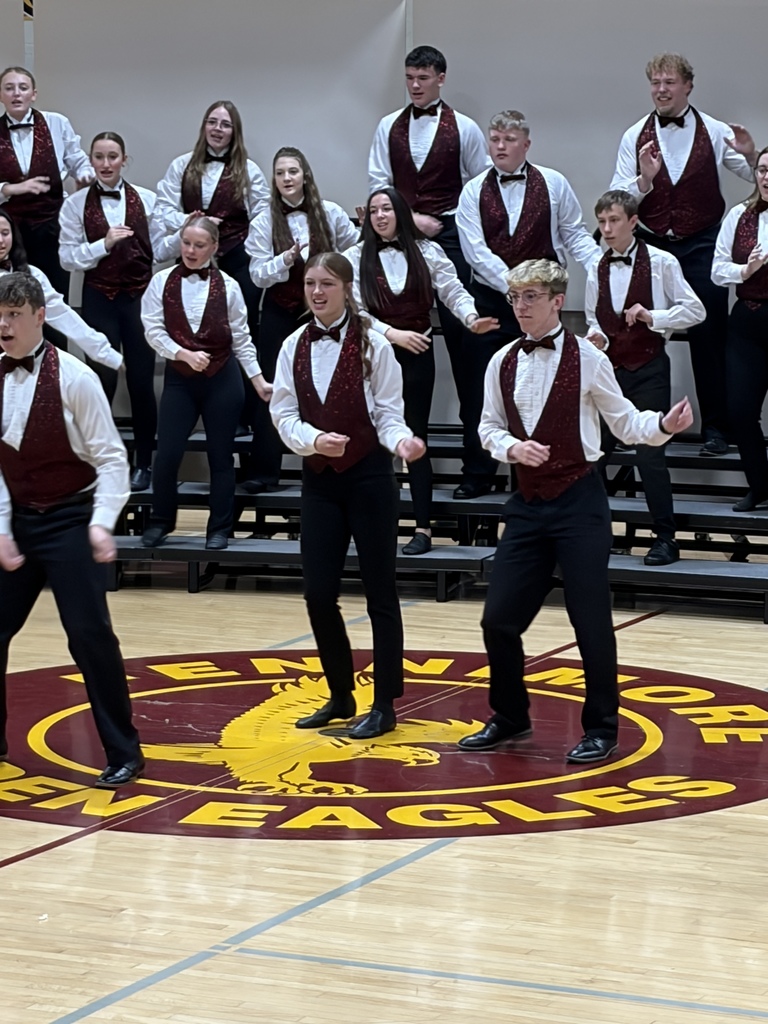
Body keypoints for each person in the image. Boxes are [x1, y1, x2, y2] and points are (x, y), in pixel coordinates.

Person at [458, 259, 692, 763]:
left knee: (590, 621)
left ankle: (601, 728)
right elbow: (488, 428)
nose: (520, 307)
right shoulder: (501, 360)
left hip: (580, 503)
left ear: (557, 301)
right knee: (497, 619)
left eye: (531, 297)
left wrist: (665, 425)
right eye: (515, 298)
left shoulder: (589, 359)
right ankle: (510, 714)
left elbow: (627, 423)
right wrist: (511, 450)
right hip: (526, 502)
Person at [270, 252, 425, 739]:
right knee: (318, 594)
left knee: (381, 594)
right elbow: (283, 413)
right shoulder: (293, 344)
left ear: (346, 287)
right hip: (320, 481)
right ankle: (340, 695)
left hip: (371, 479)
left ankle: (384, 704)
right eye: (311, 283)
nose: (317, 292)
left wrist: (401, 442)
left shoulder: (375, 345)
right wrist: (313, 441)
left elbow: (387, 413)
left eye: (327, 284)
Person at [0, 271, 142, 786]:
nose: (3, 324)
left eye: (14, 314)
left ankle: (124, 750)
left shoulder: (76, 378)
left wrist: (102, 524)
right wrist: (1, 529)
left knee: (88, 636)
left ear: (40, 317)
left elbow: (111, 461)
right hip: (17, 517)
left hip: (71, 518)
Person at [610, 52, 757, 456]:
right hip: (652, 243)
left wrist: (748, 153)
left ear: (688, 85)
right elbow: (618, 198)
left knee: (709, 335)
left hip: (702, 244)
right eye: (655, 82)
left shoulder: (713, 129)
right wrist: (645, 179)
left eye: (669, 82)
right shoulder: (633, 135)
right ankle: (638, 424)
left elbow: (752, 177)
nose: (661, 89)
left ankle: (716, 429)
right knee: (639, 330)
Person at [455, 109, 601, 498]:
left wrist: (602, 268)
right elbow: (475, 251)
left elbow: (574, 234)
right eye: (495, 140)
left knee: (548, 393)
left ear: (526, 144)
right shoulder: (471, 191)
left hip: (543, 309)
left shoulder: (554, 183)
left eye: (508, 140)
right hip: (490, 303)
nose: (500, 147)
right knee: (478, 393)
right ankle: (477, 474)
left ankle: (550, 476)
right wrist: (518, 287)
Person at [345, 187, 498, 554]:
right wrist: (392, 334)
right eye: (374, 210)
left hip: (417, 357)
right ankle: (369, 523)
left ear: (400, 212)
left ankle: (423, 528)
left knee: (415, 439)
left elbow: (453, 290)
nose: (380, 215)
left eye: (387, 209)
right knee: (371, 438)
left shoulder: (428, 251)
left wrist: (471, 317)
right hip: (375, 356)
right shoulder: (353, 256)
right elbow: (354, 310)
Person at [368, 45, 491, 447]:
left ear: (441, 78)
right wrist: (406, 218)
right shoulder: (387, 125)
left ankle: (477, 466)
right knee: (385, 330)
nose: (415, 86)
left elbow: (480, 188)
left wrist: (451, 224)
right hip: (396, 235)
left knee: (464, 346)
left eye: (422, 78)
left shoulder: (467, 128)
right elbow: (378, 183)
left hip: (450, 235)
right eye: (409, 78)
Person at [586, 189, 705, 565]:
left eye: (614, 221)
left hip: (649, 368)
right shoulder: (595, 265)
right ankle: (590, 535)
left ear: (633, 222)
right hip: (607, 373)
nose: (606, 229)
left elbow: (696, 311)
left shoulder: (662, 262)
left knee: (650, 457)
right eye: (602, 222)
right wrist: (597, 336)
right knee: (593, 455)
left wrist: (656, 317)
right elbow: (594, 317)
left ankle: (665, 538)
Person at [140, 215, 270, 551]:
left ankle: (220, 528)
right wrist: (182, 354)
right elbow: (153, 330)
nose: (191, 251)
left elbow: (241, 338)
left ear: (214, 247)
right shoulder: (160, 282)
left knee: (221, 457)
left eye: (199, 245)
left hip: (222, 380)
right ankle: (160, 521)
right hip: (180, 381)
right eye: (186, 243)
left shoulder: (229, 286)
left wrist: (257, 380)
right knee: (167, 455)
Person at [59, 131, 175, 492]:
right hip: (99, 298)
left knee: (141, 383)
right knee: (101, 382)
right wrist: (102, 245)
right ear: (90, 161)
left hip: (139, 300)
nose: (106, 164)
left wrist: (187, 230)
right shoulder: (75, 205)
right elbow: (66, 257)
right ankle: (100, 462)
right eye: (99, 157)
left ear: (125, 160)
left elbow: (157, 250)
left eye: (113, 157)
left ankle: (143, 464)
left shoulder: (149, 199)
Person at [245, 147, 358, 493]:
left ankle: (337, 461)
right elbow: (256, 275)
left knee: (333, 383)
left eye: (292, 171)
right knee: (273, 387)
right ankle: (264, 470)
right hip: (281, 309)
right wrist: (285, 260)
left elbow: (354, 253)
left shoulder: (330, 213)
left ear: (305, 175)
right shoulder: (264, 220)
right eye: (280, 173)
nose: (287, 179)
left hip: (325, 312)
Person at [155, 100, 269, 340]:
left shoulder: (250, 170)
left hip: (239, 260)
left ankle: (244, 378)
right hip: (192, 257)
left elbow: (263, 217)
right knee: (189, 322)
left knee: (243, 326)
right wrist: (191, 220)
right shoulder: (181, 165)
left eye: (225, 125)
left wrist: (250, 248)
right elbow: (163, 210)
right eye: (212, 122)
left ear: (234, 132)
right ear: (204, 127)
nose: (218, 129)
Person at [0, 66, 93, 312]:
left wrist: (85, 175)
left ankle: (56, 350)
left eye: (23, 88)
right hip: (10, 230)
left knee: (54, 298)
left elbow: (78, 159)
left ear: (34, 94)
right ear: (1, 95)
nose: (16, 94)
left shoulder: (56, 122)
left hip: (53, 225)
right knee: (12, 297)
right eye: (9, 88)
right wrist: (11, 188)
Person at [712, 145, 768, 511]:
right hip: (748, 320)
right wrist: (744, 272)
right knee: (741, 410)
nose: (767, 177)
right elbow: (717, 270)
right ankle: (760, 485)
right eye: (762, 170)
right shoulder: (738, 215)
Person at [0, 209, 121, 374]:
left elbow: (63, 315)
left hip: (22, 363)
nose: (1, 240)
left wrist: (105, 353)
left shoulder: (31, 275)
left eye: (5, 233)